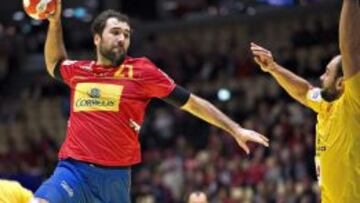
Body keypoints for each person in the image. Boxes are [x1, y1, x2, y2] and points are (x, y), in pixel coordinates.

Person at [31, 0, 269, 202]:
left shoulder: (142, 71)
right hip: (73, 171)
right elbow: (54, 65)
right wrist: (54, 22)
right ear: (96, 39)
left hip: (116, 179)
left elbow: (192, 102)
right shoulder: (80, 71)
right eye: (115, 32)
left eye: (126, 34)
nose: (122, 38)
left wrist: (235, 129)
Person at [250, 1, 360, 202]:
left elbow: (349, 48)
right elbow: (304, 91)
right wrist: (273, 68)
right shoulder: (326, 104)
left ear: (341, 83)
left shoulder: (354, 102)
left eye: (327, 73)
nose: (320, 77)